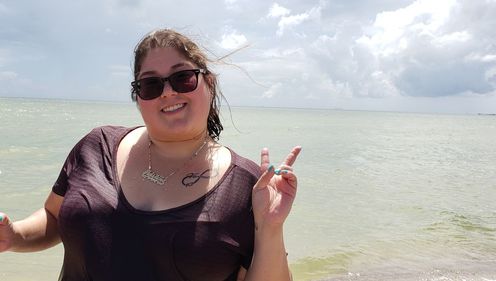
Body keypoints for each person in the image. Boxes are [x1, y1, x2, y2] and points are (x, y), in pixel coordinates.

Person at [0, 28, 301, 281]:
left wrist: (271, 228)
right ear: (138, 97)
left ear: (209, 83)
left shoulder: (248, 185)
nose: (168, 92)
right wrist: (14, 235)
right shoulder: (96, 146)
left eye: (183, 78)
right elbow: (54, 216)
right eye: (151, 84)